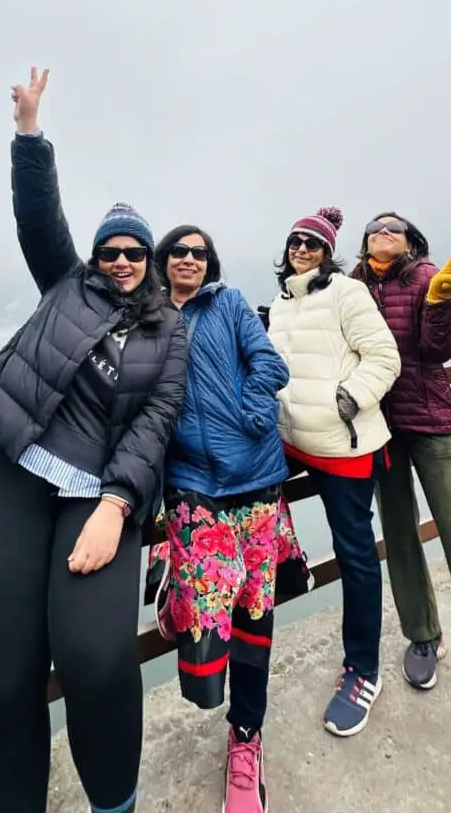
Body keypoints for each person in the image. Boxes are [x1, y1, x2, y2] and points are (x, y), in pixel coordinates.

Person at [0, 68, 188, 813]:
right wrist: (30, 135)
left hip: (93, 496)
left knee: (96, 659)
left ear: (149, 263)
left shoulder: (168, 331)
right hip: (4, 471)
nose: (120, 262)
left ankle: (113, 804)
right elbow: (38, 217)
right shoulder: (65, 284)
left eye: (134, 253)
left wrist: (119, 504)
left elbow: (157, 422)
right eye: (110, 251)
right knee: (7, 676)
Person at [144, 224, 296, 813]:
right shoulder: (151, 318)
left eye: (199, 252)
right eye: (179, 250)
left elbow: (269, 364)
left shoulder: (229, 304)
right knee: (209, 617)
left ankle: (246, 736)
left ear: (211, 263)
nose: (189, 258)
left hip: (254, 476)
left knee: (253, 609)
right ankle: (177, 588)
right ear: (164, 260)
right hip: (190, 485)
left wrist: (253, 414)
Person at [266, 207, 401, 737]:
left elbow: (383, 357)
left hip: (344, 447)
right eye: (296, 240)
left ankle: (363, 670)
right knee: (232, 490)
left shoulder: (347, 293)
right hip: (291, 440)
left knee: (356, 556)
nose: (302, 249)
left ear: (328, 253)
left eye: (313, 244)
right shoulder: (280, 303)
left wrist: (349, 398)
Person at [352, 212, 451, 690]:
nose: (383, 232)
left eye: (393, 228)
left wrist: (439, 303)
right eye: (375, 227)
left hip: (432, 423)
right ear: (364, 242)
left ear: (409, 242)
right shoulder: (350, 286)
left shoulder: (426, 277)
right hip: (381, 427)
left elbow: (437, 349)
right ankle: (424, 635)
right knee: (399, 533)